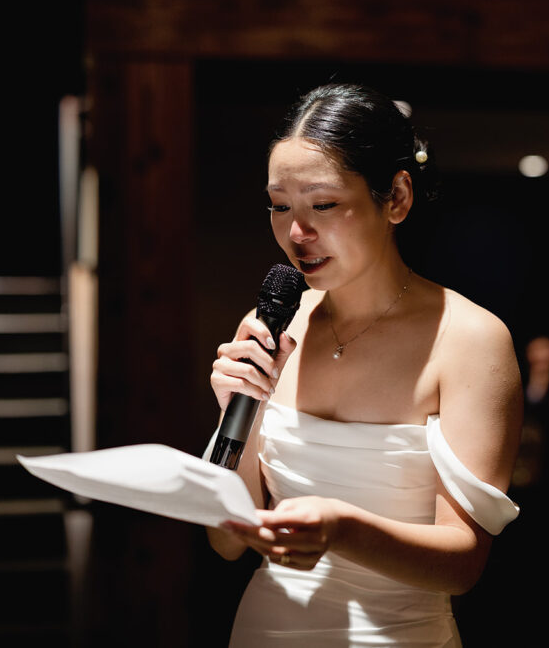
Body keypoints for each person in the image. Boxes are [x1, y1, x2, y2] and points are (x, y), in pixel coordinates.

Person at [205, 83, 523, 647]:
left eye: (323, 205)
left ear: (396, 198)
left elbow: (464, 566)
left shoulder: (470, 339)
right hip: (265, 628)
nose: (296, 235)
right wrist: (238, 414)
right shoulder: (273, 322)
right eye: (280, 206)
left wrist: (342, 529)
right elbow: (226, 542)